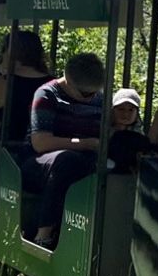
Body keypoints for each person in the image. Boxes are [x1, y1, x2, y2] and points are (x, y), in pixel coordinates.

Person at [25, 52, 105, 249]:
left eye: (93, 93)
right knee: (67, 161)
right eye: (85, 94)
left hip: (85, 159)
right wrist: (85, 144)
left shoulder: (99, 100)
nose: (90, 98)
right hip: (38, 162)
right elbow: (40, 142)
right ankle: (44, 233)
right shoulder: (46, 95)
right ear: (68, 80)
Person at [0, 29, 53, 149]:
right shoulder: (54, 84)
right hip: (44, 151)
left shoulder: (1, 84)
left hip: (8, 153)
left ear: (10, 53)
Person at [106, 86, 152, 173]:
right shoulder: (104, 131)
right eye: (121, 109)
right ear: (112, 110)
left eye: (131, 110)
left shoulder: (139, 136)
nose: (126, 114)